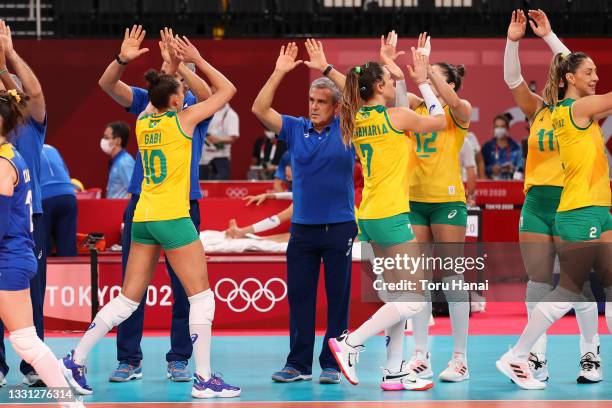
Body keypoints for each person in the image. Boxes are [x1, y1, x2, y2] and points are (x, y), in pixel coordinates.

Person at [61, 37, 241, 399]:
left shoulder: (144, 123)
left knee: (128, 299)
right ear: (177, 99)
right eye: (180, 89)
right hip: (173, 216)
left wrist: (172, 69)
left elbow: (162, 90)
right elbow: (227, 90)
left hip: (142, 216)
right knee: (201, 298)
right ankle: (204, 378)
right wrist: (197, 59)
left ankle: (75, 359)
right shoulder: (185, 120)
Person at [96, 26, 213, 383]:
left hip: (182, 205)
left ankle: (179, 358)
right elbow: (108, 85)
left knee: (186, 287)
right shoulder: (148, 104)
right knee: (132, 288)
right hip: (143, 203)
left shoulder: (193, 109)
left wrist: (181, 64)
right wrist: (122, 60)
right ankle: (129, 359)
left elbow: (210, 91)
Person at [329, 48, 448, 390]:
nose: (394, 81)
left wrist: (392, 69)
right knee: (413, 297)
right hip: (389, 214)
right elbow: (440, 120)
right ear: (379, 86)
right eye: (389, 78)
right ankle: (350, 343)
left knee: (399, 294)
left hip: (369, 214)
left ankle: (394, 371)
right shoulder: (397, 117)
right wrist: (424, 83)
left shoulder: (356, 118)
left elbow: (369, 90)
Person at [497, 47, 612, 390]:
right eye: (588, 72)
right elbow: (572, 71)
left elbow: (574, 65)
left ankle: (586, 353)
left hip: (589, 204)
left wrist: (547, 36)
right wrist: (516, 41)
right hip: (565, 205)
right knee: (560, 286)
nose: (594, 76)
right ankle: (524, 354)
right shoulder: (570, 108)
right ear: (569, 78)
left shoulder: (575, 106)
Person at [252, 41, 358, 385]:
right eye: (311, 101)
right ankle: (298, 364)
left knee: (338, 300)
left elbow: (357, 95)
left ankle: (332, 364)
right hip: (303, 230)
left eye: (321, 102)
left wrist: (326, 68)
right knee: (300, 299)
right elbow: (259, 107)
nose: (313, 107)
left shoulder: (347, 128)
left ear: (336, 106)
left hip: (340, 227)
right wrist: (280, 72)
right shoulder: (295, 128)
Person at [384, 32, 473, 383]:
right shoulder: (415, 110)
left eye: (434, 72)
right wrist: (390, 63)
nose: (424, 72)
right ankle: (419, 353)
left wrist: (429, 76)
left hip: (448, 201)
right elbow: (379, 91)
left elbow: (450, 100)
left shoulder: (458, 112)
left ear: (447, 82)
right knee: (416, 279)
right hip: (415, 201)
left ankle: (460, 358)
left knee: (452, 277)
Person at [0, 89, 84, 407]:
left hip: (7, 259)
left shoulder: (3, 164)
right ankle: (69, 401)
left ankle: (68, 399)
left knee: (25, 340)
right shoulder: (13, 155)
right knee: (27, 339)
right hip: (17, 255)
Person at [0, 19, 49, 388]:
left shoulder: (30, 126)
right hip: (10, 225)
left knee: (28, 303)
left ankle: (36, 368)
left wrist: (9, 57)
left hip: (24, 222)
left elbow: (31, 92)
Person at [40, 144, 77, 256]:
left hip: (44, 198)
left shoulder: (19, 151)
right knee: (68, 247)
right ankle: (71, 273)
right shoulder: (52, 148)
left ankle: (43, 273)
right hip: (68, 196)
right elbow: (66, 172)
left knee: (42, 248)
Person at [200, 101, 239, 180]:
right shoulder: (204, 111)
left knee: (219, 188)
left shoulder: (231, 114)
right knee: (201, 187)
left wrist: (217, 139)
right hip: (202, 158)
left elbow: (233, 137)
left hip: (220, 158)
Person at [482, 113, 524, 180]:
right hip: (492, 187)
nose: (499, 129)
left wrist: (513, 169)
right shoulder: (487, 147)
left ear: (507, 128)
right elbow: (480, 168)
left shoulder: (517, 148)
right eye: (496, 127)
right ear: (493, 128)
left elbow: (520, 169)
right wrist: (491, 169)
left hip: (511, 185)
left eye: (502, 126)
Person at [101, 121, 135, 199]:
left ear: (118, 141)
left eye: (106, 137)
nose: (103, 140)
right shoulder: (117, 161)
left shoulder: (125, 162)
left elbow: (133, 192)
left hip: (120, 209)